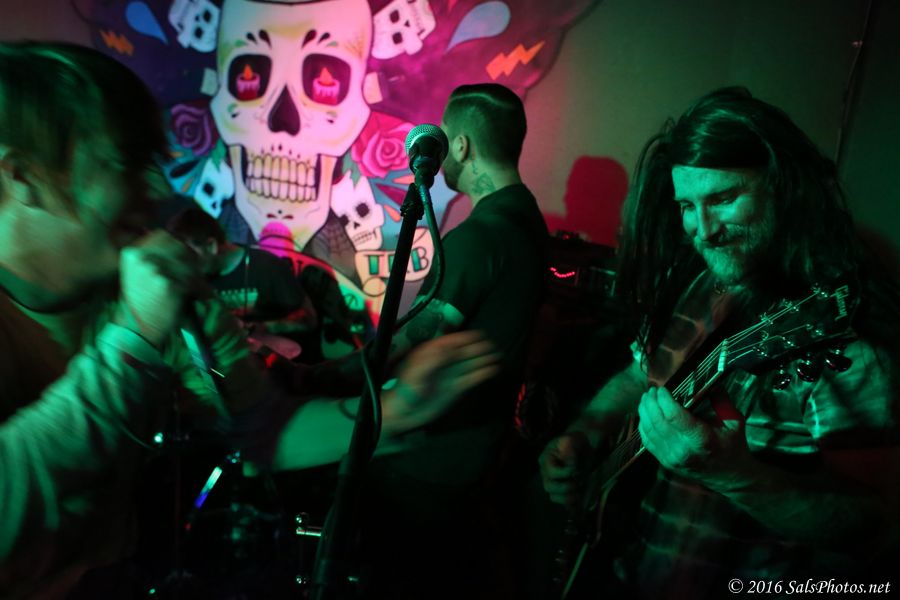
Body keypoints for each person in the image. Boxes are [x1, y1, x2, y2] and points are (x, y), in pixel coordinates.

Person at [0, 42, 499, 599]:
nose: (157, 191)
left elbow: (263, 429)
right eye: (124, 164)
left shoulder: (146, 293)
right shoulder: (137, 312)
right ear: (23, 178)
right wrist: (134, 336)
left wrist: (399, 406)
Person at [539, 87, 900, 599]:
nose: (703, 231)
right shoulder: (695, 281)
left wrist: (731, 474)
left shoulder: (847, 342)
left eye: (724, 199)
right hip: (625, 566)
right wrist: (585, 432)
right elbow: (641, 373)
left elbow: (874, 523)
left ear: (783, 186)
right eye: (687, 205)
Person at [306, 82, 549, 598]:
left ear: (459, 145)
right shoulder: (527, 223)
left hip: (429, 467)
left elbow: (405, 346)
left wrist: (313, 378)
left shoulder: (484, 235)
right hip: (475, 459)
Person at [167, 206, 317, 359]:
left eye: (189, 255)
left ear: (211, 245)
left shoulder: (267, 266)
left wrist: (263, 327)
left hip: (276, 360)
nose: (185, 263)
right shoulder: (193, 278)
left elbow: (308, 320)